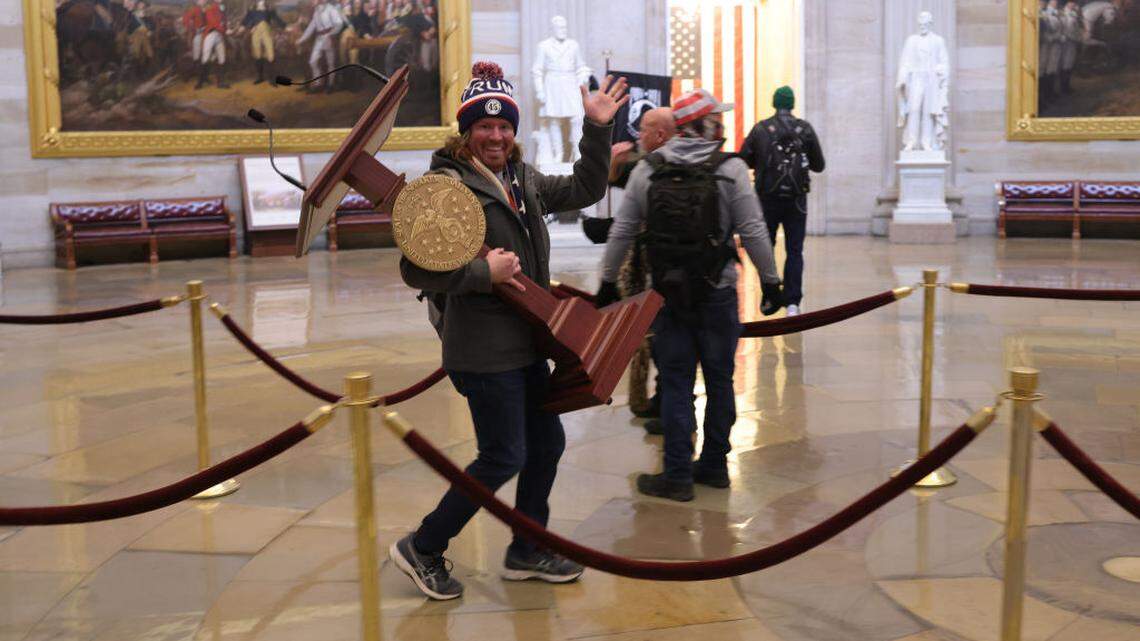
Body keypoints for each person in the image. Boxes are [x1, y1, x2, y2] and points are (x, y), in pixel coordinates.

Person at [390, 61, 628, 600]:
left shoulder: (523, 178)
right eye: (484, 126)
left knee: (545, 442)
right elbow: (413, 269)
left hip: (526, 341)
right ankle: (423, 547)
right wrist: (481, 273)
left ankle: (527, 548)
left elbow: (587, 187)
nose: (495, 135)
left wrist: (596, 128)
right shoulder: (445, 186)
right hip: (481, 347)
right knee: (503, 454)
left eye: (503, 126)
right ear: (466, 131)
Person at [597, 88, 782, 502]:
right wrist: (771, 281)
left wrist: (607, 281)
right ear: (707, 124)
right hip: (716, 291)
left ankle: (677, 474)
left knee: (677, 382)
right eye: (718, 117)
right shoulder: (730, 169)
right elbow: (752, 229)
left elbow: (623, 229)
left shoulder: (649, 169)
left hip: (667, 294)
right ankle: (715, 466)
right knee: (720, 381)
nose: (723, 122)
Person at [738, 86, 824, 317]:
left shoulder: (761, 129)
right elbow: (819, 165)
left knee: (765, 248)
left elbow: (743, 159)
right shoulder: (804, 129)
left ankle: (770, 294)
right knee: (795, 250)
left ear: (774, 103)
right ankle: (793, 302)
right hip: (796, 200)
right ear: (792, 104)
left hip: (767, 197)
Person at [297, 0, 346, 93]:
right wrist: (301, 40)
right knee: (313, 61)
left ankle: (331, 85)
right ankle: (318, 84)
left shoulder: (331, 9)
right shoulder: (316, 11)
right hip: (319, 39)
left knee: (330, 63)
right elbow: (311, 27)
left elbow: (339, 23)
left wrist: (331, 34)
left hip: (329, 38)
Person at [240, 0, 286, 84]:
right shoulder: (252, 10)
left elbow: (277, 19)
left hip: (267, 31)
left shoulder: (269, 10)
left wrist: (284, 26)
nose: (261, 2)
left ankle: (271, 78)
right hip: (256, 32)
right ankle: (260, 77)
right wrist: (245, 27)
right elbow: (246, 21)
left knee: (270, 52)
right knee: (257, 53)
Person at [198, 0, 228, 88]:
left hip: (220, 35)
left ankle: (221, 82)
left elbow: (224, 21)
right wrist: (224, 29)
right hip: (211, 34)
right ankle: (200, 82)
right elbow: (214, 22)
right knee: (206, 57)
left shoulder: (221, 8)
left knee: (222, 58)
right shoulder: (210, 8)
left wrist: (225, 29)